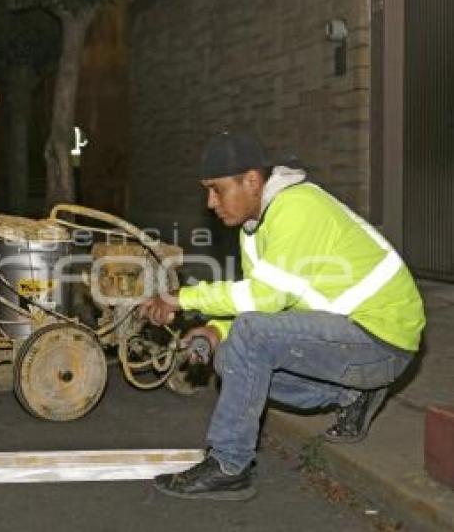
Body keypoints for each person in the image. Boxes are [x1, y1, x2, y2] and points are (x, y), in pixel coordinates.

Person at [139, 132, 425, 501]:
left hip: (383, 339)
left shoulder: (297, 208)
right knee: (230, 358)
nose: (210, 202)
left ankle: (229, 465)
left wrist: (183, 298)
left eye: (217, 189)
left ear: (252, 181)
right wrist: (216, 330)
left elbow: (266, 299)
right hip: (351, 339)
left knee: (248, 340)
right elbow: (267, 302)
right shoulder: (254, 228)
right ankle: (352, 393)